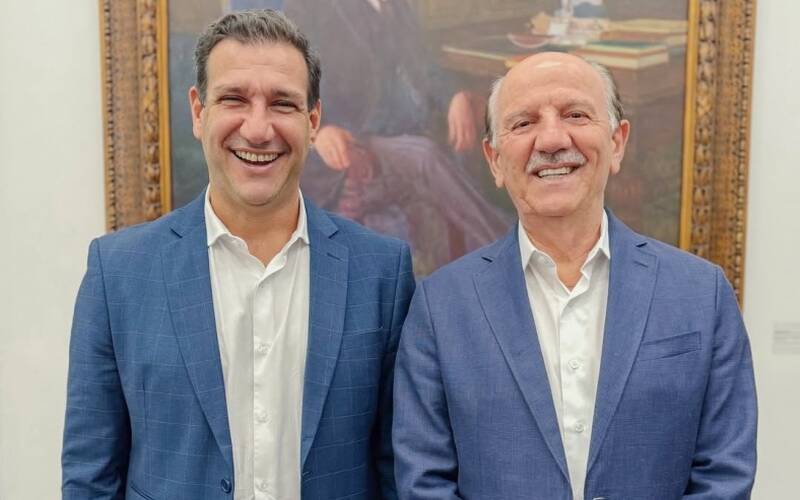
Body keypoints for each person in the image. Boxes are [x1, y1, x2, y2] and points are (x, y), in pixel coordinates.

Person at [62, 10, 414, 500]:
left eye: (282, 103)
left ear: (313, 121)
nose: (258, 128)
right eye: (234, 99)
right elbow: (90, 476)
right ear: (198, 111)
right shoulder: (117, 273)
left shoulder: (382, 274)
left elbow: (398, 472)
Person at [393, 52, 756, 499]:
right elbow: (424, 480)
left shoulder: (701, 293)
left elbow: (724, 474)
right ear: (494, 160)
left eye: (576, 115)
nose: (551, 139)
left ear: (617, 142)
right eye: (524, 122)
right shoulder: (441, 306)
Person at [282, 0, 511, 274]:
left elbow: (426, 66)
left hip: (407, 129)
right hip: (354, 138)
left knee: (462, 141)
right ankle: (504, 252)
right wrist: (319, 129)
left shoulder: (399, 5)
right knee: (424, 155)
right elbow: (290, 78)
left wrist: (455, 96)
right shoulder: (310, 6)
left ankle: (490, 262)